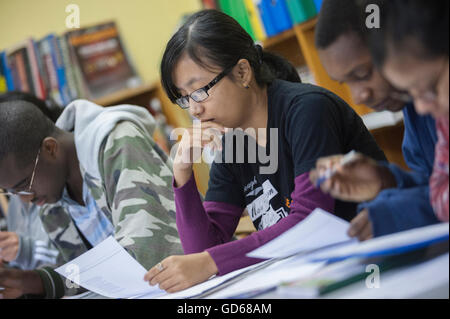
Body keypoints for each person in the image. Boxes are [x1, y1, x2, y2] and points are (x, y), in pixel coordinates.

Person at [143, 9, 386, 293]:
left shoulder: (307, 110)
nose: (195, 109)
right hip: (311, 276)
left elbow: (310, 222)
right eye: (184, 99)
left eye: (199, 91)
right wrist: (182, 171)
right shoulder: (232, 143)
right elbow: (205, 248)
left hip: (374, 263)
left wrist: (210, 261)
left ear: (242, 72)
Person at [0, 98, 183, 299]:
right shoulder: (51, 201)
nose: (26, 199)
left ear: (50, 149)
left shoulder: (118, 143)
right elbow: (85, 275)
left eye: (24, 184)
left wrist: (54, 280)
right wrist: (33, 282)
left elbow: (148, 256)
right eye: (13, 193)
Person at [309, 0, 440, 241]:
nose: (359, 96)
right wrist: (387, 180)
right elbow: (436, 186)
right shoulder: (415, 106)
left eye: (363, 74)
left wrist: (404, 212)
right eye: (345, 82)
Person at [366, 0, 448, 222]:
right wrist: (388, 181)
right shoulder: (443, 120)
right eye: (410, 93)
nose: (421, 107)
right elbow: (438, 192)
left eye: (430, 88)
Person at [0, 92, 62, 271]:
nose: (22, 197)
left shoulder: (59, 186)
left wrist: (27, 251)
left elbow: (82, 265)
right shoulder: (16, 193)